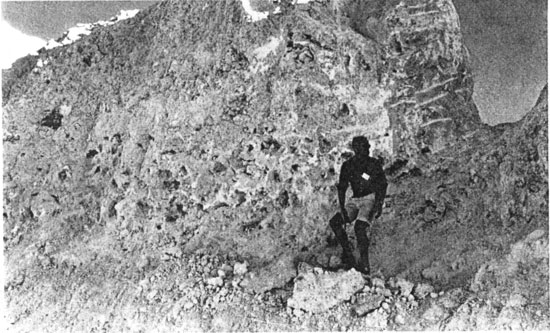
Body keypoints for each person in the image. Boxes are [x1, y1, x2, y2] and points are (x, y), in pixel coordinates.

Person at [329, 136, 387, 275]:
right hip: (355, 199)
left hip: (370, 198)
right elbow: (342, 187)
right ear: (355, 149)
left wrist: (379, 203)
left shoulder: (373, 164)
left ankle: (365, 263)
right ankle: (348, 254)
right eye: (360, 148)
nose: (364, 150)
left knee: (359, 228)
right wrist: (342, 207)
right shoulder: (348, 166)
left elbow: (382, 185)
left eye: (365, 147)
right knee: (335, 222)